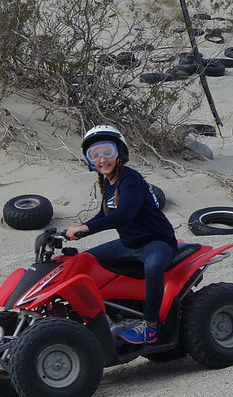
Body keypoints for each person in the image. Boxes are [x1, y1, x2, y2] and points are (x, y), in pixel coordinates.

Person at [65, 125, 177, 345]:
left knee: (153, 266)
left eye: (108, 151)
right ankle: (102, 315)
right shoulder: (107, 181)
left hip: (157, 242)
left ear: (120, 154)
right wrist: (77, 230)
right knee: (85, 261)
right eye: (94, 154)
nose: (102, 159)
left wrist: (87, 229)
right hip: (129, 244)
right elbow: (104, 214)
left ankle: (150, 327)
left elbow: (125, 214)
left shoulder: (131, 179)